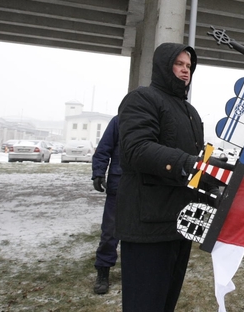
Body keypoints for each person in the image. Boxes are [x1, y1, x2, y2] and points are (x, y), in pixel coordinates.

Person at [115, 43, 218, 312]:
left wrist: (214, 176)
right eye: (179, 64)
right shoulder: (142, 99)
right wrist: (188, 163)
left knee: (166, 303)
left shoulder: (191, 112)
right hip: (147, 223)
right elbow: (137, 149)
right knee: (144, 304)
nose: (185, 71)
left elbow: (196, 165)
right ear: (164, 65)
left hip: (180, 223)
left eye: (189, 67)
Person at [91, 115, 121, 295]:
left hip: (145, 188)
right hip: (119, 186)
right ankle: (103, 271)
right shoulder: (119, 121)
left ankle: (137, 271)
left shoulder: (154, 119)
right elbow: (104, 149)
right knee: (110, 232)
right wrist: (98, 173)